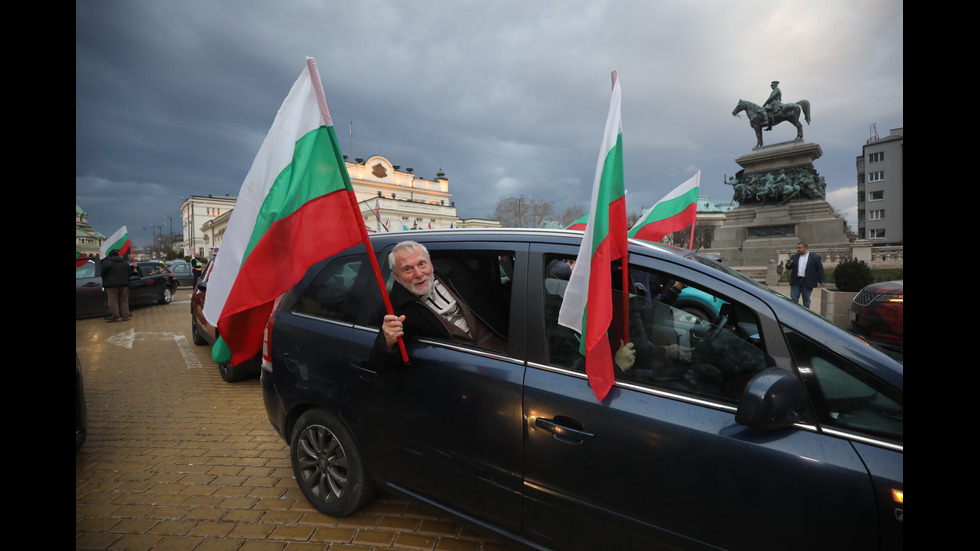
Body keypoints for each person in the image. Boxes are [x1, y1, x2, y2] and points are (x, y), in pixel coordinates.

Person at [373, 241, 508, 367]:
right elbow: (379, 365)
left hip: (506, 352)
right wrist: (388, 342)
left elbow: (493, 294)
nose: (419, 274)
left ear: (430, 263)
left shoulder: (454, 270)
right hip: (462, 369)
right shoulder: (393, 309)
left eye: (422, 264)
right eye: (408, 269)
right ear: (397, 277)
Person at [785, 242, 825, 309]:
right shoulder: (794, 257)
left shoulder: (815, 257)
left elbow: (819, 270)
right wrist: (789, 264)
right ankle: (794, 312)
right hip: (796, 281)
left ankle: (806, 314)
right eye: (797, 248)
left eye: (799, 248)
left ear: (805, 248)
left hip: (807, 281)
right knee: (794, 298)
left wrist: (822, 280)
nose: (797, 249)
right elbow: (788, 268)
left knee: (806, 299)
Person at [101, 249, 135, 322]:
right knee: (124, 300)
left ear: (110, 256)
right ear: (118, 255)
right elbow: (130, 273)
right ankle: (125, 315)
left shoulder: (107, 263)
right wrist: (132, 267)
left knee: (113, 301)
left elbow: (102, 273)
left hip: (111, 285)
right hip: (124, 284)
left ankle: (116, 317)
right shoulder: (125, 263)